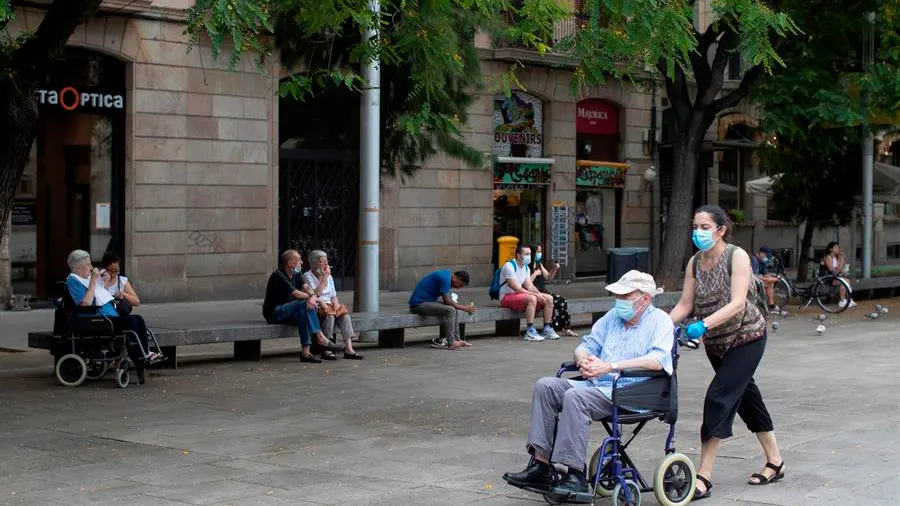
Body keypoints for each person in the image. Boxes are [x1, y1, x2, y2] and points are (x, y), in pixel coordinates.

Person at [502, 270, 673, 496]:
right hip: (598, 386)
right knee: (546, 386)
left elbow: (657, 360)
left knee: (575, 397)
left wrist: (610, 366)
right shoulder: (613, 317)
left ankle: (575, 474)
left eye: (626, 297)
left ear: (646, 298)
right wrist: (584, 362)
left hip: (632, 391)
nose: (620, 301)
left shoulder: (660, 321)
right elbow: (584, 346)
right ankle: (540, 465)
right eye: (618, 296)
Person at [669, 205, 784, 500]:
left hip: (747, 339)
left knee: (719, 397)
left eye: (705, 227)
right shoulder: (694, 262)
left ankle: (703, 477)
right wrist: (658, 327)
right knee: (748, 399)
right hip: (717, 344)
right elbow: (684, 304)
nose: (698, 232)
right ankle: (776, 461)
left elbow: (737, 303)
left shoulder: (737, 256)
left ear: (721, 230)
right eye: (695, 226)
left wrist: (702, 325)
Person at [65, 250, 162, 364]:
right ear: (77, 267)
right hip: (97, 318)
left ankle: (144, 353)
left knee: (138, 319)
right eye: (88, 264)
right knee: (132, 321)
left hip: (108, 315)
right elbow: (86, 302)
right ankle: (139, 356)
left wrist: (103, 284)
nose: (91, 267)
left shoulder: (86, 279)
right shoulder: (73, 280)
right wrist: (94, 280)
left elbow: (100, 295)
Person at [262, 250, 337, 363]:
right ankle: (320, 336)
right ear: (290, 263)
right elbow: (296, 294)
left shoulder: (297, 272)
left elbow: (306, 287)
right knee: (303, 303)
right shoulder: (278, 275)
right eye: (299, 260)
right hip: (275, 312)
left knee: (303, 313)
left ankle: (305, 353)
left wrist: (312, 296)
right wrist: (312, 298)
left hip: (290, 310)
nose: (301, 262)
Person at [303, 250, 363, 360]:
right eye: (322, 261)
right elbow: (315, 295)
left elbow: (333, 295)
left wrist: (336, 303)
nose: (325, 264)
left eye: (326, 261)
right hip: (318, 306)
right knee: (329, 316)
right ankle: (326, 349)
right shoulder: (307, 276)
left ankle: (349, 349)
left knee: (345, 316)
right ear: (313, 264)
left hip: (330, 305)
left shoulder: (329, 277)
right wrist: (324, 278)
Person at [498, 245, 559, 342]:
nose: (529, 256)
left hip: (519, 296)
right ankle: (530, 331)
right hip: (506, 297)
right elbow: (517, 289)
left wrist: (539, 294)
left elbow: (530, 286)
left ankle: (547, 328)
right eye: (526, 254)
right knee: (532, 298)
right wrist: (535, 295)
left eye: (530, 254)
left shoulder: (526, 268)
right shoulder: (509, 266)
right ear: (518, 255)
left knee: (549, 298)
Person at [408, 269, 476, 350]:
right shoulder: (445, 278)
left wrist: (459, 306)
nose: (458, 288)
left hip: (427, 302)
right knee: (450, 310)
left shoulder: (446, 276)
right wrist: (464, 308)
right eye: (460, 285)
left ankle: (457, 339)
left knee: (453, 308)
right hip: (417, 305)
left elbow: (448, 301)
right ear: (458, 278)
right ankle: (451, 342)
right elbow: (447, 301)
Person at [528, 244, 577, 337]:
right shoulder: (527, 266)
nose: (540, 254)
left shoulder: (539, 263)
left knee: (561, 300)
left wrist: (554, 268)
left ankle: (566, 328)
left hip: (543, 291)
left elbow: (548, 278)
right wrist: (535, 274)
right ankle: (550, 328)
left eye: (540, 252)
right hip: (533, 292)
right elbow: (525, 283)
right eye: (538, 252)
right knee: (551, 303)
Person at [821, 241, 856, 308]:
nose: (838, 249)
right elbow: (831, 270)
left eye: (838, 247)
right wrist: (841, 261)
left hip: (834, 277)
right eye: (836, 247)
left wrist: (841, 261)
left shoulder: (835, 257)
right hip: (827, 277)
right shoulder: (828, 257)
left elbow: (838, 269)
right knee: (844, 282)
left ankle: (849, 299)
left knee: (847, 281)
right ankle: (842, 301)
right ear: (831, 249)